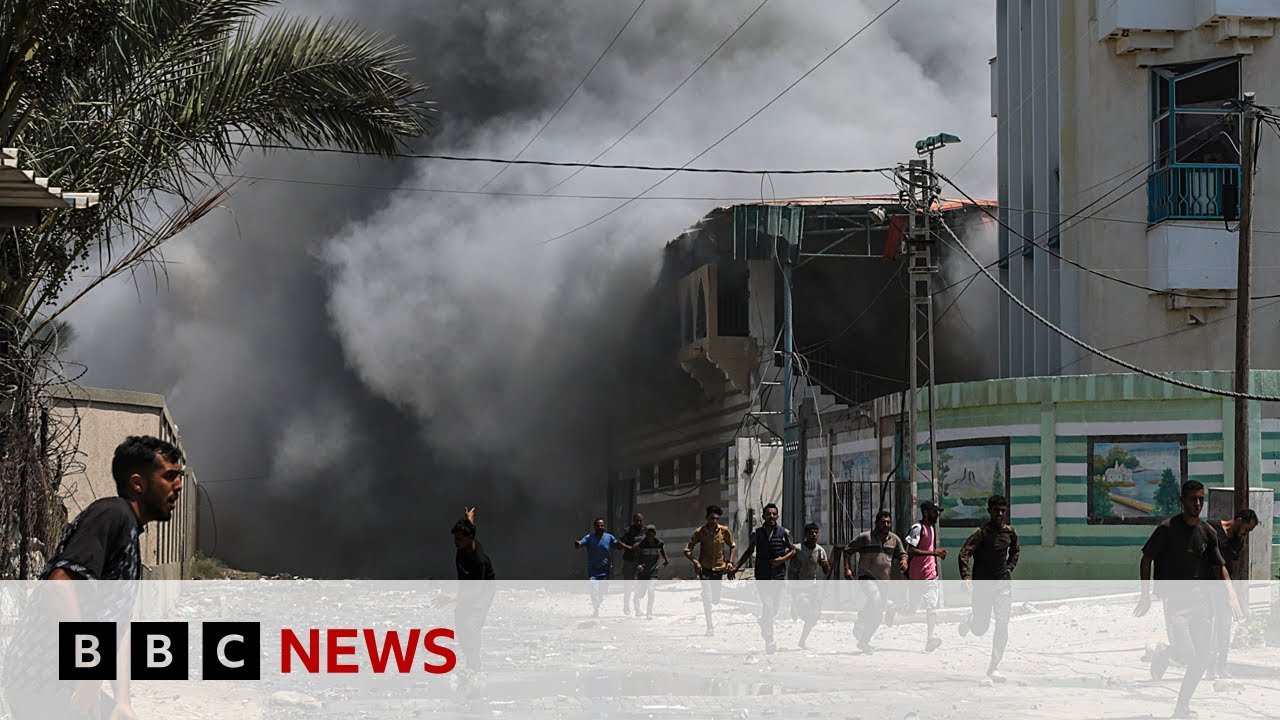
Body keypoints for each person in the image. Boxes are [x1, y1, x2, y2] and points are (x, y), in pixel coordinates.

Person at [1, 435, 185, 720]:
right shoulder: (113, 514)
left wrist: (123, 701)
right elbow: (60, 584)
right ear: (138, 483)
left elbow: (119, 628)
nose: (179, 485)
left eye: (180, 476)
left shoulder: (130, 533)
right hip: (43, 682)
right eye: (170, 476)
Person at [1136, 481, 1243, 719]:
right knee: (1186, 655)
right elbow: (1146, 559)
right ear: (1182, 500)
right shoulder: (1167, 528)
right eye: (1193, 499)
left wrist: (1231, 594)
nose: (1197, 504)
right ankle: (1165, 653)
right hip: (1176, 603)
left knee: (1202, 659)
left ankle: (1181, 707)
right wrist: (1145, 595)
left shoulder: (1208, 532)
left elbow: (1220, 566)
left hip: (1202, 605)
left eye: (1201, 499)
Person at [957, 495, 1019, 685]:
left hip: (1002, 587)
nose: (1000, 514)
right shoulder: (981, 534)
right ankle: (971, 620)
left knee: (1002, 625)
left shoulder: (1010, 532)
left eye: (1003, 510)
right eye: (996, 510)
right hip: (983, 587)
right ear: (989, 511)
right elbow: (964, 553)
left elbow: (1015, 551)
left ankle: (994, 667)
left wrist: (1009, 568)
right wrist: (966, 577)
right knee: (980, 629)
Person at [735, 503, 796, 654]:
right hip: (762, 576)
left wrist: (781, 560)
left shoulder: (783, 532)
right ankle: (770, 640)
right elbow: (749, 551)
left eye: (774, 514)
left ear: (777, 516)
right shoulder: (757, 534)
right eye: (768, 514)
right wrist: (736, 567)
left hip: (779, 576)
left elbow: (793, 550)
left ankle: (764, 622)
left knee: (774, 608)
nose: (771, 517)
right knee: (768, 606)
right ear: (763, 517)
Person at [843, 509, 907, 654]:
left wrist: (904, 561)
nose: (886, 525)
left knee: (878, 615)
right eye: (883, 522)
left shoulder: (894, 539)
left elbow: (903, 554)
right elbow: (847, 551)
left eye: (888, 522)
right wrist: (847, 569)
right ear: (876, 523)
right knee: (876, 599)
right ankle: (886, 606)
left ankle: (864, 640)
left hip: (884, 581)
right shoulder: (865, 537)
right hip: (867, 577)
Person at [1205, 508, 1259, 678]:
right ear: (1238, 520)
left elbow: (1232, 567)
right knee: (1209, 628)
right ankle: (1208, 666)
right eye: (1246, 529)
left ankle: (1221, 666)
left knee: (1224, 627)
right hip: (1206, 585)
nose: (1246, 533)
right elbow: (1218, 564)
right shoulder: (1212, 529)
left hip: (1225, 587)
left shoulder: (1239, 541)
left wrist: (1233, 592)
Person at [451, 507, 495, 676]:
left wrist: (453, 597)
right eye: (455, 538)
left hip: (483, 592)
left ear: (470, 538)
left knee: (471, 626)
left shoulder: (479, 561)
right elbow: (470, 528)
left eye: (459, 539)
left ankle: (474, 665)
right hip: (467, 590)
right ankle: (471, 660)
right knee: (460, 626)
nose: (456, 542)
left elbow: (476, 593)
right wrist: (469, 519)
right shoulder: (465, 544)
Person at [684, 504, 736, 636]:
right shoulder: (699, 532)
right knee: (707, 598)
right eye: (712, 518)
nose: (714, 521)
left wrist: (730, 562)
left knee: (715, 599)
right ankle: (710, 627)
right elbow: (687, 550)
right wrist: (695, 561)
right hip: (704, 569)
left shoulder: (724, 531)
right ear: (707, 518)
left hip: (718, 569)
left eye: (717, 519)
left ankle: (710, 597)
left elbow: (732, 546)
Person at [903, 500, 947, 652]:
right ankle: (893, 609)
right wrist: (934, 553)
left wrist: (934, 556)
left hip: (930, 576)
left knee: (931, 606)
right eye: (935, 512)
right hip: (917, 576)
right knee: (911, 610)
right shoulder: (917, 528)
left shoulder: (931, 528)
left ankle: (930, 639)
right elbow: (911, 551)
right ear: (926, 512)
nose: (937, 515)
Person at [789, 522, 831, 649]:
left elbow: (826, 571)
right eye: (811, 532)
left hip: (813, 587)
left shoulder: (820, 551)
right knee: (805, 608)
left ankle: (802, 640)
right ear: (805, 534)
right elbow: (791, 568)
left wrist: (825, 564)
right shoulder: (797, 549)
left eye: (816, 532)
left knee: (815, 615)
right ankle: (795, 606)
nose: (814, 535)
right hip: (799, 587)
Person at [574, 518, 619, 616]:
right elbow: (581, 542)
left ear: (604, 526)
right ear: (594, 527)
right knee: (593, 589)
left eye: (602, 526)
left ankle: (599, 601)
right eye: (598, 526)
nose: (600, 527)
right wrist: (578, 543)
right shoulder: (589, 537)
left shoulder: (609, 537)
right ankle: (595, 609)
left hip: (605, 570)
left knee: (602, 593)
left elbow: (617, 545)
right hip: (593, 570)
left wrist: (626, 545)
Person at [633, 524, 669, 619]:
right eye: (648, 535)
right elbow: (636, 557)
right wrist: (638, 565)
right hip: (643, 572)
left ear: (655, 534)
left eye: (652, 535)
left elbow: (662, 549)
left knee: (651, 591)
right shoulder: (641, 544)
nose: (650, 537)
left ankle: (649, 612)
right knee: (641, 593)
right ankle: (637, 608)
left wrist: (666, 559)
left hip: (653, 572)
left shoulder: (659, 543)